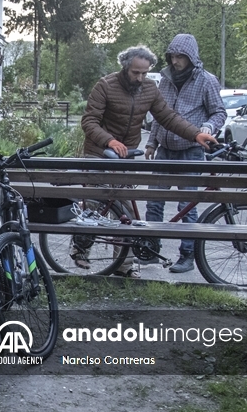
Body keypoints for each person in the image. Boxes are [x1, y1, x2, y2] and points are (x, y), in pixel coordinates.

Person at [73, 45, 217, 277]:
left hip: (126, 152)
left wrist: (195, 134)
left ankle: (124, 267)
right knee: (93, 204)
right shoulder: (105, 85)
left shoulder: (150, 88)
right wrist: (109, 141)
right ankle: (80, 250)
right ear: (125, 68)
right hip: (99, 150)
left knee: (126, 212)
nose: (140, 78)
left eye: (144, 73)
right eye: (135, 73)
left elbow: (168, 117)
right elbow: (89, 121)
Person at [143, 34, 227, 273]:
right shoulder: (165, 80)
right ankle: (150, 249)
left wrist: (209, 127)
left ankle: (187, 255)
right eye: (172, 55)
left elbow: (219, 112)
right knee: (154, 202)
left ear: (191, 57)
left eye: (181, 56)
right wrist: (151, 142)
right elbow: (161, 115)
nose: (175, 60)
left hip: (190, 151)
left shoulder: (206, 80)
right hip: (164, 151)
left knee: (188, 205)